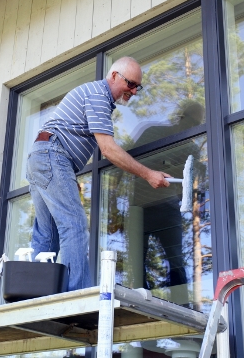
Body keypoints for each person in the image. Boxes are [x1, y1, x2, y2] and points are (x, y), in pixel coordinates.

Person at [26, 56, 171, 291]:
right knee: (73, 223)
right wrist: (148, 174)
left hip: (42, 157)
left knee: (47, 233)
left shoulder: (96, 96)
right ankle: (76, 295)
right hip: (52, 155)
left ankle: (37, 294)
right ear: (114, 76)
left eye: (137, 86)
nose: (133, 91)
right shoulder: (98, 95)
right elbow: (109, 150)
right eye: (131, 84)